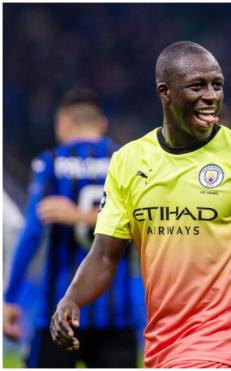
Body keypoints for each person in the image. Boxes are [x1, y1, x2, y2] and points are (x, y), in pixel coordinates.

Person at [49, 41, 231, 368]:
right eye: (197, 85)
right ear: (165, 92)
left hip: (227, 342)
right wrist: (71, 299)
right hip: (162, 346)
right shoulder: (128, 161)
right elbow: (104, 255)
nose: (212, 95)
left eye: (217, 85)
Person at [3, 89, 138, 367]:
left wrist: (10, 296)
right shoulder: (126, 161)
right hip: (117, 315)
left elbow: (31, 234)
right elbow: (141, 221)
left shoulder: (50, 163)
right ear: (101, 124)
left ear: (63, 124)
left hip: (58, 311)